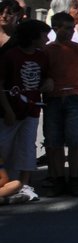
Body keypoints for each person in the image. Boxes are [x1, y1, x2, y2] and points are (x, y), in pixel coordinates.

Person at [0, 19, 52, 201]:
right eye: (44, 35)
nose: (47, 38)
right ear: (33, 37)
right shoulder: (10, 56)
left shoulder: (42, 56)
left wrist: (48, 83)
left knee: (27, 146)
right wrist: (7, 110)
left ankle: (25, 183)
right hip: (11, 111)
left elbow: (46, 78)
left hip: (32, 109)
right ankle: (6, 182)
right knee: (4, 146)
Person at [43, 11, 78, 197]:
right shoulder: (47, 50)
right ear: (56, 29)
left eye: (73, 28)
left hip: (74, 96)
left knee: (75, 140)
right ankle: (57, 178)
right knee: (53, 140)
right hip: (53, 98)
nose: (71, 31)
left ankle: (74, 178)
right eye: (67, 28)